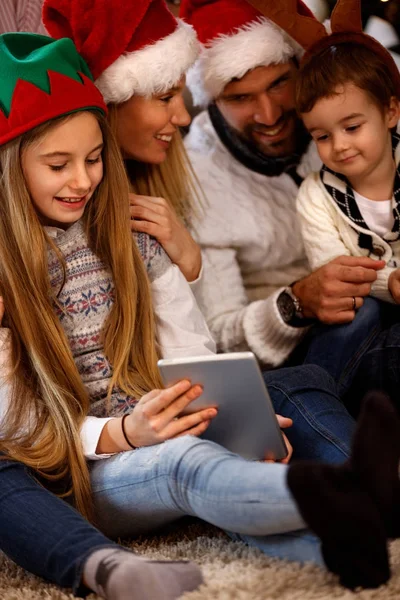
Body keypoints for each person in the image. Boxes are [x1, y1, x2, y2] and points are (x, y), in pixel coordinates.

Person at [0, 30, 395, 596]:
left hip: (157, 418)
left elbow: (190, 352)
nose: (83, 180)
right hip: (81, 461)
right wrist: (124, 433)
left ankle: (343, 544)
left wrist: (234, 420)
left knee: (283, 387)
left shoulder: (132, 237)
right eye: (58, 165)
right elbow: (16, 428)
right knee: (185, 460)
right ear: (13, 168)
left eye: (92, 160)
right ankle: (343, 487)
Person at [180, 0, 385, 391]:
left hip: (381, 318)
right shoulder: (196, 178)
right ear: (212, 100)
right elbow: (219, 340)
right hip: (287, 365)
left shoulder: (342, 115)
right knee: (363, 315)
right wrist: (295, 304)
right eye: (240, 98)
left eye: (279, 84)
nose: (269, 114)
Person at [43, 0, 204, 286]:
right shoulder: (63, 213)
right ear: (112, 100)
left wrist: (192, 263)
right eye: (166, 98)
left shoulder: (166, 180)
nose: (183, 118)